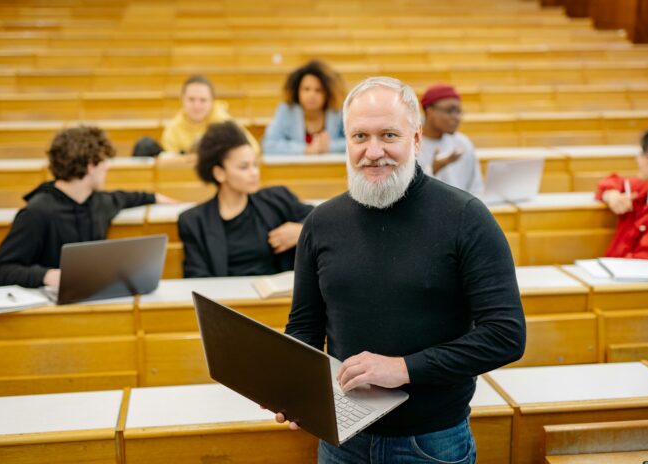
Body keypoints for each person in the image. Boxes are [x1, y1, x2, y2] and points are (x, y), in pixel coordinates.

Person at [280, 77, 526, 463]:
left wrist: (404, 369)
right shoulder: (321, 222)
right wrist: (291, 386)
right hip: (340, 439)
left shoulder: (466, 217)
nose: (372, 151)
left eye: (388, 135)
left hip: (431, 442)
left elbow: (506, 335)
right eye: (359, 136)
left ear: (415, 139)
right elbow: (304, 327)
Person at [0, 126, 175, 288]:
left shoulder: (99, 202)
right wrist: (47, 275)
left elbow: (127, 197)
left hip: (91, 294)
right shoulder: (37, 213)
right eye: (104, 161)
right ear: (91, 166)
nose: (107, 168)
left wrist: (156, 197)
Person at [178, 121, 314, 278]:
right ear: (219, 173)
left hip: (279, 300)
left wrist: (301, 232)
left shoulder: (277, 198)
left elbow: (323, 222)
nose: (254, 172)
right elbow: (196, 278)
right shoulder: (194, 222)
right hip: (226, 300)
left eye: (255, 165)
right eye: (244, 167)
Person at [596, 126, 648, 260]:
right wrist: (612, 195)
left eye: (642, 154)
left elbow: (644, 261)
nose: (637, 159)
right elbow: (611, 182)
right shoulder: (646, 187)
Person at [262, 60, 346, 155]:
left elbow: (354, 142)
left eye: (318, 90)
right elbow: (269, 145)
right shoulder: (285, 110)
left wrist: (329, 147)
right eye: (306, 89)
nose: (312, 95)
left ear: (327, 93)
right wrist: (305, 149)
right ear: (298, 91)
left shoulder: (337, 112)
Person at [160, 75, 260, 155]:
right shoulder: (172, 130)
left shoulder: (224, 122)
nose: (197, 106)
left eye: (203, 100)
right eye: (191, 99)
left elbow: (253, 149)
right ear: (182, 100)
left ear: (212, 101)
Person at [417, 84, 484, 196]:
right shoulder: (411, 144)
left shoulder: (463, 143)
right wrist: (433, 170)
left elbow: (476, 188)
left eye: (459, 112)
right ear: (429, 111)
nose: (456, 117)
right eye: (450, 111)